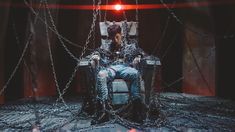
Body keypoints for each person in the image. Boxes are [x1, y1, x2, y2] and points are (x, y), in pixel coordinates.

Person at [90, 23, 146, 124]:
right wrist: (96, 56)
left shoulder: (129, 46)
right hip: (111, 68)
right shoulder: (106, 46)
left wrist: (138, 56)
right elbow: (97, 51)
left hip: (125, 67)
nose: (115, 40)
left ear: (121, 34)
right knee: (101, 75)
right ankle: (103, 112)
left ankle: (136, 111)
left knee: (135, 74)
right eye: (112, 38)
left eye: (117, 37)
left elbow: (139, 51)